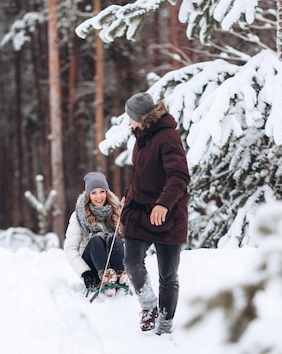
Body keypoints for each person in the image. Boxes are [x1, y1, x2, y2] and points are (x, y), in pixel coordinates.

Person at [121, 92, 190, 335]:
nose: (128, 121)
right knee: (131, 261)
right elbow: (142, 176)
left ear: (139, 117)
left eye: (130, 116)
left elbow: (179, 175)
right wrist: (128, 197)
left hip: (168, 213)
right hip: (140, 211)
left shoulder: (167, 137)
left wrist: (163, 204)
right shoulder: (141, 137)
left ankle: (165, 324)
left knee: (168, 275)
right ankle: (148, 305)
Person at [64, 171, 127, 296]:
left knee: (113, 238)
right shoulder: (78, 215)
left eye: (102, 191)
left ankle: (120, 276)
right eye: (94, 193)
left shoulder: (117, 211)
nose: (99, 197)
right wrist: (85, 273)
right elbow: (70, 248)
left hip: (116, 261)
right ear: (88, 195)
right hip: (92, 265)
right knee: (97, 239)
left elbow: (130, 242)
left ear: (107, 193)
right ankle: (105, 276)